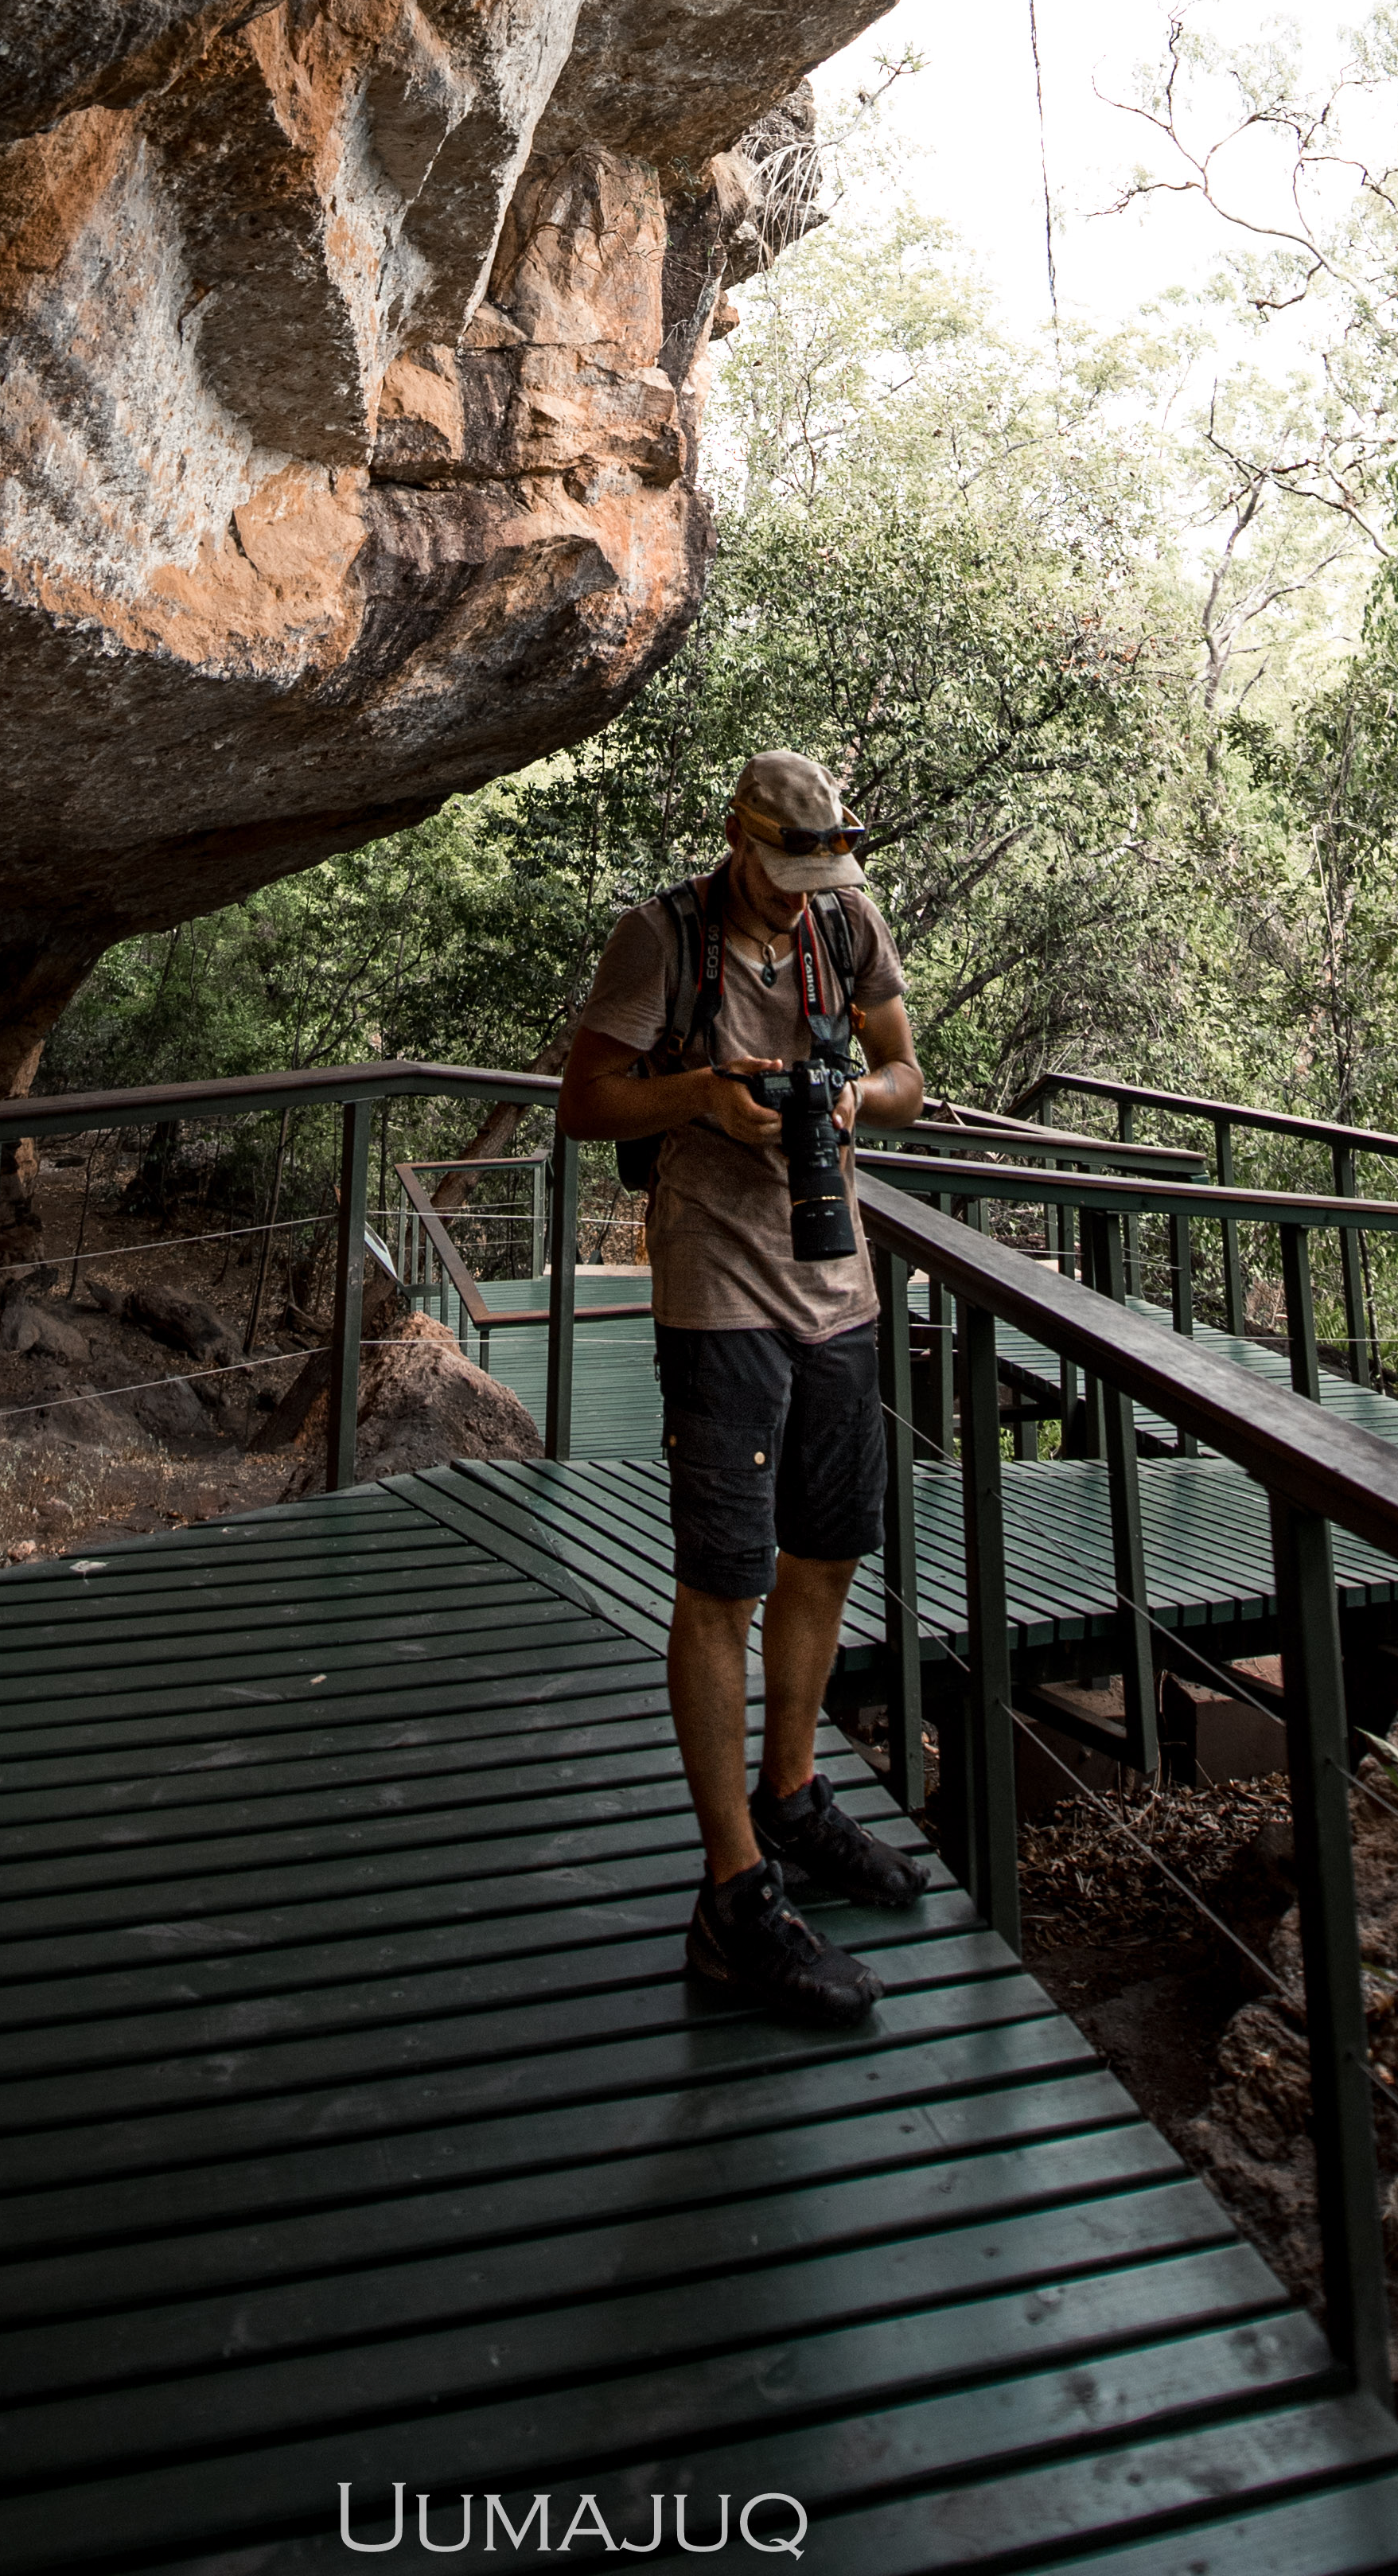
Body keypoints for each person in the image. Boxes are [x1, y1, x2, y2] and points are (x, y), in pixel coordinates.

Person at [555, 748, 933, 2031]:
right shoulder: (661, 939)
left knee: (828, 1550)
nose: (796, 894)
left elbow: (908, 1076)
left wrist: (855, 1097)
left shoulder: (847, 923)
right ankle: (730, 1892)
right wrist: (706, 1102)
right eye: (779, 871)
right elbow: (585, 1103)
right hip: (716, 1285)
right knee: (725, 1578)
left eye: (815, 875)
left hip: (839, 1281)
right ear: (737, 839)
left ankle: (794, 1795)